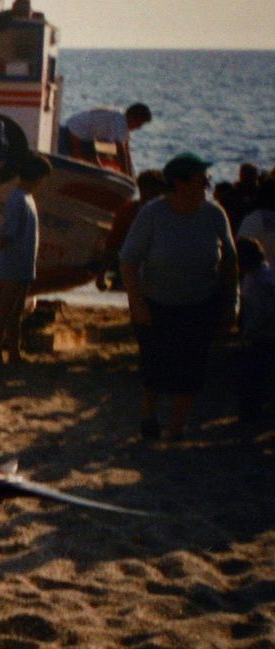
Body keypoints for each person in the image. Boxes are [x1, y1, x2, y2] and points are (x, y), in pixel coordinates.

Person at [120, 152, 239, 441]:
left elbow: (230, 261)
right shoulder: (153, 214)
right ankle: (149, 414)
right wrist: (136, 303)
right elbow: (128, 260)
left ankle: (177, 426)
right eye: (202, 178)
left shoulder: (214, 214)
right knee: (155, 366)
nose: (208, 183)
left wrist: (231, 304)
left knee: (193, 367)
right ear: (180, 183)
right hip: (156, 304)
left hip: (200, 304)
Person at [0, 153, 51, 367]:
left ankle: (14, 352)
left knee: (16, 312)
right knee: (5, 309)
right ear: (37, 177)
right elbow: (7, 234)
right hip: (14, 262)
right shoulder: (18, 199)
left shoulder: (26, 197)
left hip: (24, 263)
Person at [100, 169, 166, 290]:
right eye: (145, 190)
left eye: (155, 192)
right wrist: (101, 274)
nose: (149, 196)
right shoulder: (129, 210)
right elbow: (113, 243)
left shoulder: (172, 213)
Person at [235, 236, 275, 425]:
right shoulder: (268, 274)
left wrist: (247, 333)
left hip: (262, 337)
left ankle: (250, 414)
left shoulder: (254, 283)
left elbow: (259, 314)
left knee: (252, 376)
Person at [60, 103, 151, 176]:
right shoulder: (121, 124)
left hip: (85, 133)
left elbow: (126, 151)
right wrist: (127, 177)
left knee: (103, 161)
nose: (139, 127)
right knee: (86, 162)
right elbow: (122, 153)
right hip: (76, 130)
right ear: (132, 118)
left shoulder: (121, 118)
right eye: (139, 124)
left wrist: (130, 175)